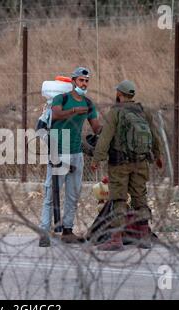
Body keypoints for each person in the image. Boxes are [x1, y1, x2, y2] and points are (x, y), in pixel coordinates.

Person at [91, 80, 164, 251]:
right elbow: (154, 135)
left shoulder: (115, 112)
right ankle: (145, 236)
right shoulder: (143, 111)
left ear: (119, 94)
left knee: (118, 199)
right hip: (141, 162)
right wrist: (158, 156)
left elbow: (105, 138)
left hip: (120, 164)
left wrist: (96, 159)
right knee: (140, 197)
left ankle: (116, 239)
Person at [39, 67, 102, 247]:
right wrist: (75, 110)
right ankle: (44, 231)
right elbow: (57, 114)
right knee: (52, 192)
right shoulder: (62, 99)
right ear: (73, 81)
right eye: (81, 80)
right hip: (59, 148)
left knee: (73, 194)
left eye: (86, 81)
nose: (84, 84)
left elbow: (96, 127)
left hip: (76, 151)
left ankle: (67, 230)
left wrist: (110, 129)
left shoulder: (88, 104)